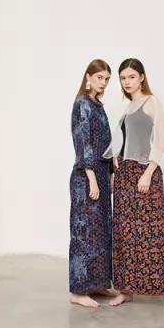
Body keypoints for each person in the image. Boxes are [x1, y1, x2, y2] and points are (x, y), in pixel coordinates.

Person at [105, 58, 164, 314]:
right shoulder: (127, 107)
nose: (127, 82)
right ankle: (125, 290)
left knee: (153, 234)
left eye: (131, 77)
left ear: (141, 77)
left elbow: (160, 142)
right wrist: (116, 161)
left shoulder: (151, 103)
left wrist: (148, 173)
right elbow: (125, 141)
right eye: (123, 78)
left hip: (145, 172)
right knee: (125, 234)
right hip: (125, 173)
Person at [69, 59, 116, 308]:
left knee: (100, 231)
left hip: (101, 174)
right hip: (86, 177)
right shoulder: (82, 105)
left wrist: (110, 173)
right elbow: (83, 142)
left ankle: (97, 284)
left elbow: (106, 142)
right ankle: (78, 291)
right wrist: (91, 177)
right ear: (88, 77)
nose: (104, 83)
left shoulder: (98, 105)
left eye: (107, 79)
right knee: (85, 233)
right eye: (100, 78)